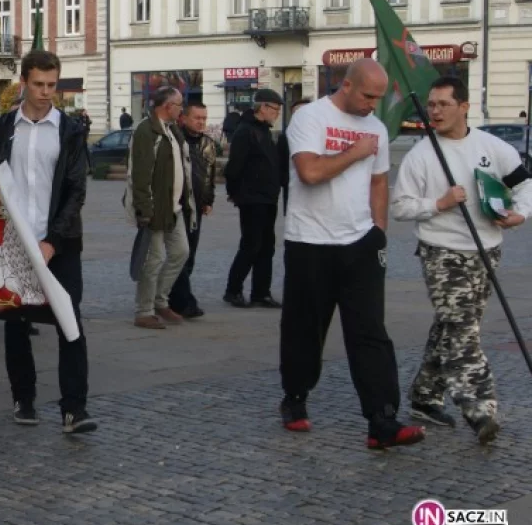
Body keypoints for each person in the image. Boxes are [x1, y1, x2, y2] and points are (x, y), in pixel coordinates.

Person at [279, 58, 424, 449]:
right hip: (309, 240)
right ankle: (295, 398)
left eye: (378, 97)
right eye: (367, 95)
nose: (373, 105)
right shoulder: (310, 117)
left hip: (360, 242)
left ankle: (382, 420)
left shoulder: (376, 128)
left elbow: (380, 183)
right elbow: (309, 173)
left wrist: (379, 233)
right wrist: (356, 152)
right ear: (346, 85)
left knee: (370, 332)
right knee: (305, 327)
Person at [392, 77, 531, 444]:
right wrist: (437, 204)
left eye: (442, 104)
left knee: (451, 326)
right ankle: (480, 408)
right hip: (442, 250)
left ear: (464, 107)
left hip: (486, 249)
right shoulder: (422, 154)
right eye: (431, 104)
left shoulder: (493, 147)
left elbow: (524, 184)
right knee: (462, 330)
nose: (434, 111)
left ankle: (424, 396)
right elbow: (401, 206)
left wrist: (520, 213)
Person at [0, 50, 96, 435]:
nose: (45, 92)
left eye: (52, 85)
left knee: (69, 319)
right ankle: (23, 398)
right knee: (16, 321)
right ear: (23, 82)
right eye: (38, 84)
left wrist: (53, 240)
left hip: (61, 241)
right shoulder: (5, 126)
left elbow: (76, 190)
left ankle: (75, 409)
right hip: (15, 240)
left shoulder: (69, 131)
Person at [126, 86, 194, 330]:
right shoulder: (147, 130)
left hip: (173, 208)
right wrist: (145, 209)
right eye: (178, 104)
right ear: (167, 107)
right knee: (153, 260)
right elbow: (140, 174)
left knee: (180, 253)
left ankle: (160, 300)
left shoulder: (173, 130)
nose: (181, 109)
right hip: (155, 208)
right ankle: (144, 311)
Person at [223, 89, 284, 309]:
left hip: (268, 197)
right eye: (275, 109)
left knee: (267, 246)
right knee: (251, 245)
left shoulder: (264, 131)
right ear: (263, 108)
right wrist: (235, 193)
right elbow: (234, 167)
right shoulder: (245, 131)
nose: (277, 114)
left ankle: (261, 292)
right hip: (251, 198)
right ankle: (233, 290)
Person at [167, 102, 216, 318]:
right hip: (178, 206)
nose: (201, 122)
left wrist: (208, 200)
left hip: (197, 207)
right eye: (197, 117)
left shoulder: (208, 143)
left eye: (204, 118)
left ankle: (173, 297)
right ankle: (183, 302)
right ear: (184, 118)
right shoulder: (175, 140)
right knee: (180, 254)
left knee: (190, 255)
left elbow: (209, 175)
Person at [278, 98, 310, 216]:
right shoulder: (284, 137)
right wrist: (284, 181)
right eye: (297, 113)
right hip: (292, 187)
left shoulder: (322, 135)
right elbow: (280, 162)